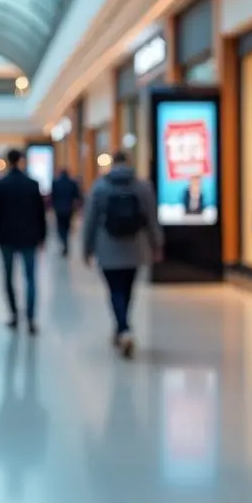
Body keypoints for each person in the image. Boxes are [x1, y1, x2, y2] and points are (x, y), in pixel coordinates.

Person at [82, 151, 162, 358]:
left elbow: (90, 219)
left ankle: (123, 327)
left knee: (114, 289)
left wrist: (87, 247)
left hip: (107, 247)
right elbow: (152, 218)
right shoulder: (142, 186)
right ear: (128, 163)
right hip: (136, 246)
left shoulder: (100, 187)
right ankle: (123, 326)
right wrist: (157, 245)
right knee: (127, 288)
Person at [0, 148, 48, 334]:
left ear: (7, 161)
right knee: (30, 278)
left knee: (8, 278)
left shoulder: (1, 185)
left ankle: (14, 314)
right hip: (29, 236)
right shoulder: (32, 184)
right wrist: (42, 236)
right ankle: (31, 318)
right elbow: (41, 214)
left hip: (7, 236)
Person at [50, 169, 83, 257]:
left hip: (59, 209)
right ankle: (65, 242)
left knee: (60, 228)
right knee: (66, 227)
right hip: (69, 209)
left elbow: (52, 196)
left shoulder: (56, 183)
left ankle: (64, 242)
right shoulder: (72, 183)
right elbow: (77, 196)